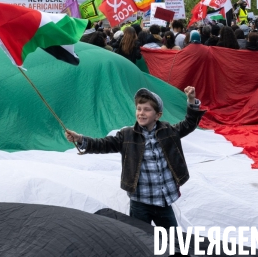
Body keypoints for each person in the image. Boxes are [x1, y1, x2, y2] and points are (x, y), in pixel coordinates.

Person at [65, 86, 204, 228]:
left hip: (163, 202)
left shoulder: (168, 131)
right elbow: (103, 144)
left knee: (173, 240)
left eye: (147, 109)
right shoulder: (126, 135)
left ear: (158, 115)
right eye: (139, 109)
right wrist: (80, 139)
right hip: (139, 203)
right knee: (142, 239)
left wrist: (191, 100)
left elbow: (189, 124)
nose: (141, 113)